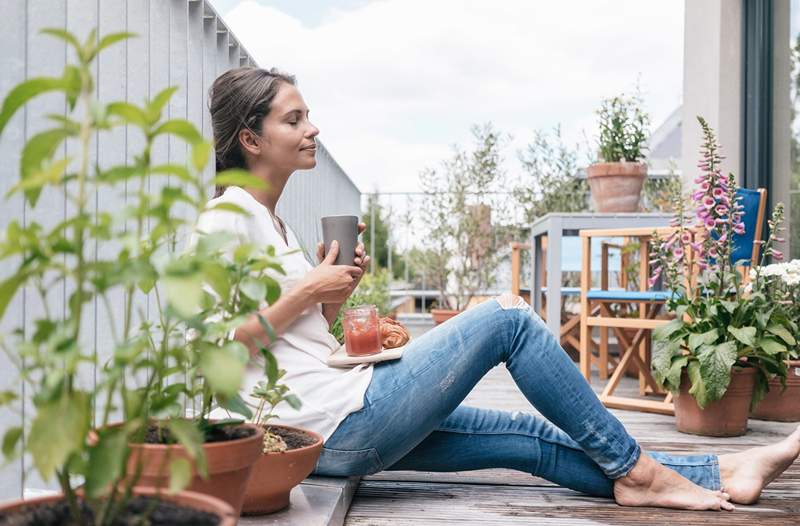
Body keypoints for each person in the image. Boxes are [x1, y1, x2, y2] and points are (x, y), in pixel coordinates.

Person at [195, 66, 800, 512]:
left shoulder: (268, 223)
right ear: (251, 139)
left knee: (527, 440)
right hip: (333, 427)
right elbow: (215, 355)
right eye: (294, 119)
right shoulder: (226, 222)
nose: (313, 129)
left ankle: (718, 471)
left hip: (336, 422)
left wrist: (331, 296)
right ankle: (638, 471)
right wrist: (308, 291)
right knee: (507, 320)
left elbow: (294, 344)